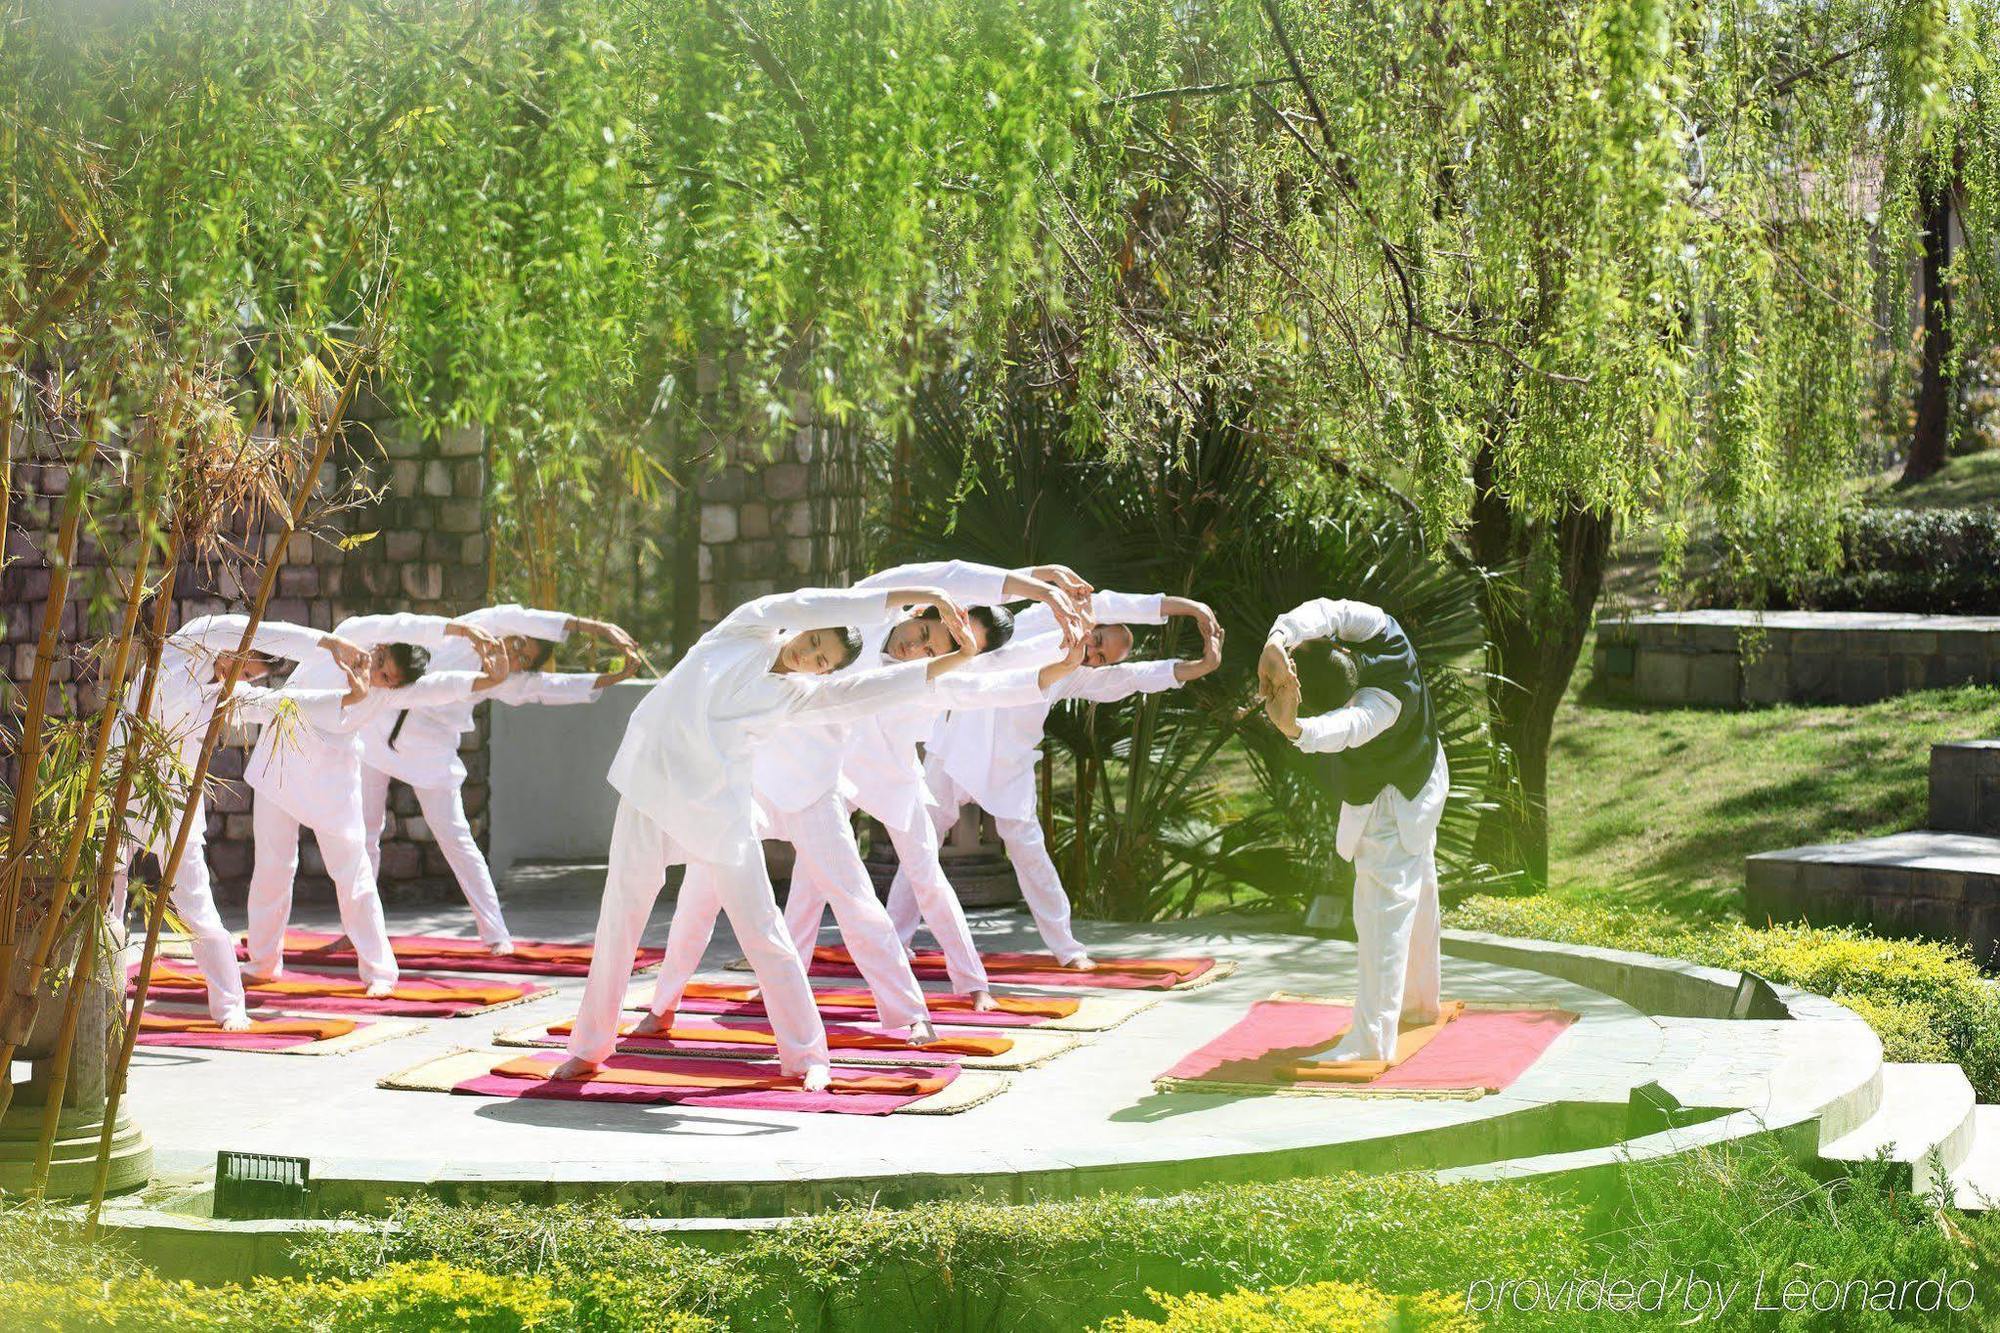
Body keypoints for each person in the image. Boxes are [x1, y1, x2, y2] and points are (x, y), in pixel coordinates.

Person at [552, 580, 991, 1091]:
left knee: (763, 928)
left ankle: (806, 1056)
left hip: (720, 812)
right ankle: (587, 1048)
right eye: (813, 641)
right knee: (619, 920)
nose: (809, 655)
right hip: (649, 789)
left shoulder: (797, 697)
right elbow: (808, 602)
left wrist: (953, 660)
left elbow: (863, 691)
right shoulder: (743, 629)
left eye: (822, 660)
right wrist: (918, 592)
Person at [778, 562, 1093, 1008]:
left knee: (927, 876)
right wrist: (1040, 581)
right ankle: (786, 976)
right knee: (810, 875)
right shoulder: (868, 611)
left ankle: (973, 983)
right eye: (923, 633)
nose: (916, 648)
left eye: (930, 651)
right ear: (923, 609)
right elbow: (946, 574)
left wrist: (1060, 669)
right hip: (833, 770)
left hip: (893, 777)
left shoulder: (929, 677)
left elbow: (989, 689)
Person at [906, 588, 1223, 967]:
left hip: (1009, 767)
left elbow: (1132, 677)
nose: (1093, 653)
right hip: (956, 744)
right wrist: (1192, 606)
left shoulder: (1075, 676)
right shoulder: (1042, 620)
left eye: (1101, 658)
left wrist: (1199, 667)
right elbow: (1109, 602)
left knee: (1031, 854)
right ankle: (896, 937)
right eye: (1099, 641)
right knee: (921, 841)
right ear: (1092, 626)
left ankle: (1067, 949)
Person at [112, 615, 369, 1028]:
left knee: (197, 908)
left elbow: (278, 704)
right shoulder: (189, 643)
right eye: (242, 664)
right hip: (120, 785)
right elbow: (264, 630)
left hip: (173, 802)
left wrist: (345, 701)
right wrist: (329, 645)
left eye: (248, 675)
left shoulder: (226, 696)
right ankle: (105, 1000)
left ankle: (230, 1005)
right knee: (110, 901)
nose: (236, 674)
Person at [242, 612, 509, 996]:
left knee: (353, 874)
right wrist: (460, 629)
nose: (379, 678)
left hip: (330, 780)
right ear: (380, 647)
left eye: (388, 679)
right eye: (382, 666)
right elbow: (402, 623)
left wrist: (488, 681)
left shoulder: (388, 689)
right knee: (272, 866)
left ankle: (380, 971)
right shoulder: (352, 635)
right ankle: (263, 961)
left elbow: (437, 688)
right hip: (280, 760)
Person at [358, 605, 640, 954]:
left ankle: (495, 935)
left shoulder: (503, 678)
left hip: (429, 752)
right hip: (376, 733)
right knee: (364, 832)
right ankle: (359, 929)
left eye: (524, 658)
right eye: (519, 644)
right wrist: (596, 626)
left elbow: (544, 688)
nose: (515, 654)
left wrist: (608, 679)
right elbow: (523, 616)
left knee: (457, 840)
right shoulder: (478, 628)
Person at [1258, 597, 1448, 1063]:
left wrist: (1295, 729)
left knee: (1380, 914)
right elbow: (1329, 610)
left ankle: (1369, 1042)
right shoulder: (1383, 631)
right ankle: (1421, 1004)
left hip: (1396, 803)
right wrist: (1279, 638)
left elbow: (1346, 728)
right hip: (1423, 773)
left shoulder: (1379, 704)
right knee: (1420, 893)